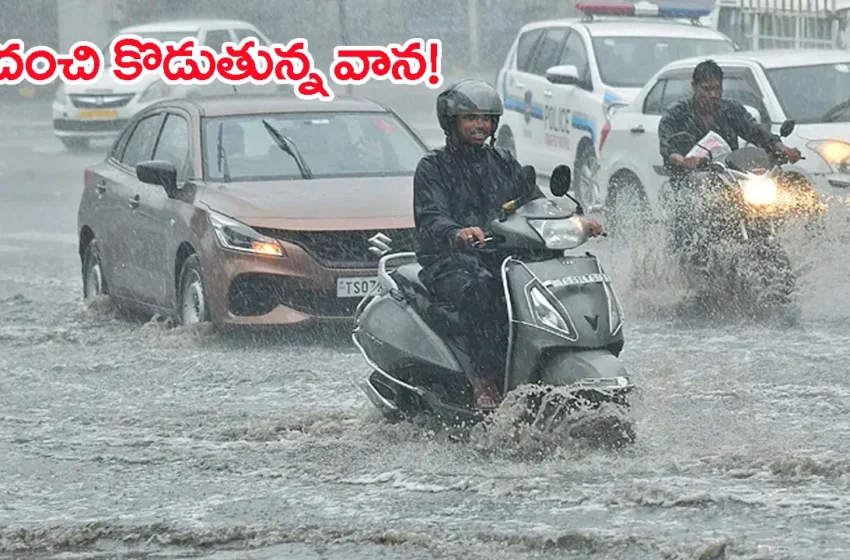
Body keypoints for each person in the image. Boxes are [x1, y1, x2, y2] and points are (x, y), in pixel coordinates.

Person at [412, 79, 603, 411]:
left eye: (485, 118)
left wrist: (576, 221)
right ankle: (484, 379)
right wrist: (457, 232)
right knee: (482, 291)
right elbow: (431, 215)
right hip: (450, 260)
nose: (479, 125)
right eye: (470, 117)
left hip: (503, 256)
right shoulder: (433, 167)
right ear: (451, 121)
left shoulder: (502, 161)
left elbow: (536, 203)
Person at [657, 59, 802, 253]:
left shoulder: (730, 110)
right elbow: (669, 149)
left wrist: (782, 148)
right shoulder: (676, 114)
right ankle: (690, 259)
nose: (713, 95)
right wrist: (684, 160)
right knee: (689, 213)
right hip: (692, 182)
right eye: (706, 89)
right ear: (694, 86)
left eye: (717, 89)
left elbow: (756, 131)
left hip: (729, 181)